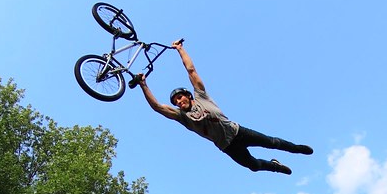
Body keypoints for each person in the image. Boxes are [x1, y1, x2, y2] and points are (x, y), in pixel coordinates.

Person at [133, 41, 313, 175]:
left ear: (188, 95)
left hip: (237, 131)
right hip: (227, 146)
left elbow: (191, 71)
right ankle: (275, 166)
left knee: (272, 142)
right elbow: (157, 107)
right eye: (176, 102)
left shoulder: (201, 96)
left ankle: (297, 148)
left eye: (180, 97)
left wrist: (180, 49)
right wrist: (143, 85)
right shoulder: (181, 116)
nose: (179, 102)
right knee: (253, 166)